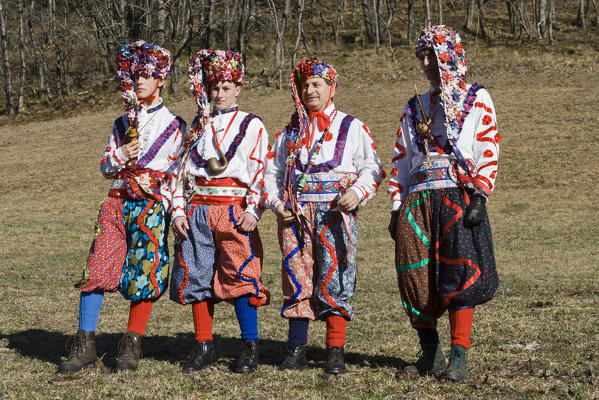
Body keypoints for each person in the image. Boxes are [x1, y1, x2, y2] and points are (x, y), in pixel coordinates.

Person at [59, 40, 186, 373]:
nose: (140, 82)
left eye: (146, 76)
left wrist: (175, 213)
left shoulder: (175, 125)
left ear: (160, 80)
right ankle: (84, 343)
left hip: (150, 207)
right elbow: (104, 168)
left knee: (145, 273)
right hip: (115, 204)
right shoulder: (120, 123)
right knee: (97, 270)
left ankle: (131, 343)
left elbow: (176, 177)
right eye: (135, 76)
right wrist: (120, 155)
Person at [388, 25, 500, 382]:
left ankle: (458, 355)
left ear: (449, 56)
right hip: (418, 199)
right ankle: (430, 352)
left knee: (459, 271)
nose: (425, 63)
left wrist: (480, 195)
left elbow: (487, 146)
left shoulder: (477, 98)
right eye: (421, 57)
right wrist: (396, 206)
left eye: (431, 56)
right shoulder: (415, 107)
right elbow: (401, 159)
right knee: (414, 273)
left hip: (457, 194)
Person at [263, 57, 383, 374]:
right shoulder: (289, 133)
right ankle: (296, 349)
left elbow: (372, 168)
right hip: (297, 215)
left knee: (337, 276)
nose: (310, 90)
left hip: (335, 213)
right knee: (296, 276)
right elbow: (271, 174)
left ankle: (334, 351)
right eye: (305, 85)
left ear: (332, 87)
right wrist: (278, 205)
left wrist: (356, 193)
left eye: (317, 84)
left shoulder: (352, 127)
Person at [169, 49, 270, 374]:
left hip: (234, 210)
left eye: (226, 88)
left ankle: (249, 345)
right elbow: (179, 173)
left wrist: (253, 209)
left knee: (240, 274)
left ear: (238, 87)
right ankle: (204, 343)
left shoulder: (251, 125)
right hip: (198, 209)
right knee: (196, 273)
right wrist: (178, 211)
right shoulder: (197, 127)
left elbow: (262, 171)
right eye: (214, 88)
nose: (219, 94)